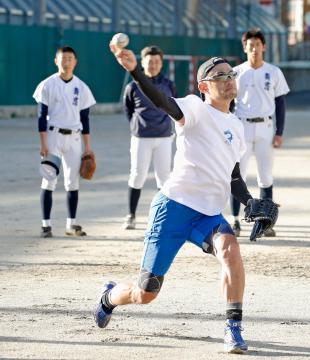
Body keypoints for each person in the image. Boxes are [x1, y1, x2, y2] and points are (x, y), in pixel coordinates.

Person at [94, 44, 258, 354]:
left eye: (230, 73)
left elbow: (233, 175)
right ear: (203, 86)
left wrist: (249, 202)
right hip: (173, 209)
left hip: (207, 215)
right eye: (219, 75)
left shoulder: (236, 127)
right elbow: (161, 101)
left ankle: (233, 329)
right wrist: (135, 72)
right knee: (146, 293)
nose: (228, 79)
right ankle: (110, 295)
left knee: (231, 252)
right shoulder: (195, 109)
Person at [230, 28, 290, 237]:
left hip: (265, 127)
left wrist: (279, 132)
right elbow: (228, 103)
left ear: (263, 47)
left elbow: (280, 103)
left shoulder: (273, 72)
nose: (254, 48)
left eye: (257, 44)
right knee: (238, 174)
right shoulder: (236, 72)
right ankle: (235, 220)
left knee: (265, 176)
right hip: (242, 126)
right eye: (250, 45)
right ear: (245, 47)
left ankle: (267, 222)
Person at [33, 46, 96, 238]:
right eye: (63, 58)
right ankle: (46, 225)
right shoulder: (47, 85)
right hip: (53, 136)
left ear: (75, 62)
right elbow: (41, 117)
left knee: (72, 181)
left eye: (70, 58)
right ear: (56, 61)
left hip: (75, 138)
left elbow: (85, 120)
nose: (66, 61)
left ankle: (71, 224)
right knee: (49, 179)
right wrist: (43, 143)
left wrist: (87, 147)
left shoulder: (82, 87)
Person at [122, 45, 177, 230]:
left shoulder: (168, 85)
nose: (153, 65)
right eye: (149, 61)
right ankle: (131, 215)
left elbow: (174, 108)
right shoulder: (133, 86)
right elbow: (128, 110)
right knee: (137, 175)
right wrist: (137, 127)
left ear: (161, 64)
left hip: (163, 138)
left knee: (164, 178)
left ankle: (163, 216)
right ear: (142, 62)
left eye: (156, 62)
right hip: (141, 138)